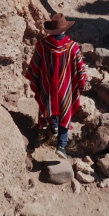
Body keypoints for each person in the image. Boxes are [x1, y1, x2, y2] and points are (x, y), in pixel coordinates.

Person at [26, 13, 88, 159]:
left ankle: (53, 124)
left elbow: (35, 66)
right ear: (64, 30)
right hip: (65, 88)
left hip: (47, 86)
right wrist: (83, 81)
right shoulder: (72, 47)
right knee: (65, 111)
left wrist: (37, 80)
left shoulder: (41, 45)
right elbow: (80, 68)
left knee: (50, 103)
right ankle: (61, 146)